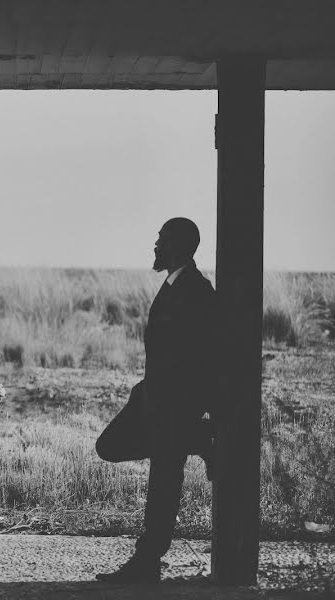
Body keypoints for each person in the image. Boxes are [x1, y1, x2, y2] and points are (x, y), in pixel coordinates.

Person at [95, 217, 220, 583]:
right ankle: (198, 439)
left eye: (161, 240)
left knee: (164, 479)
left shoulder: (197, 291)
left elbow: (204, 358)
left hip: (176, 407)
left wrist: (192, 407)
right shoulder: (175, 284)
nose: (155, 246)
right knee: (109, 445)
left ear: (180, 246)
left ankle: (147, 561)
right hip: (153, 399)